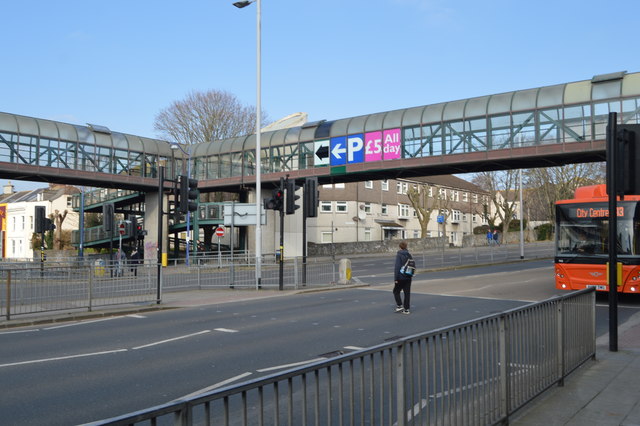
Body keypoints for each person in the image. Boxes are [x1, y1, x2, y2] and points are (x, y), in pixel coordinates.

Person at [393, 241, 413, 315]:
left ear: (400, 247)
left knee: (396, 291)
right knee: (407, 293)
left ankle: (399, 305)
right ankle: (407, 309)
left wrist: (396, 278)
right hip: (408, 276)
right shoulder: (409, 254)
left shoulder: (399, 254)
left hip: (401, 277)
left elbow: (397, 267)